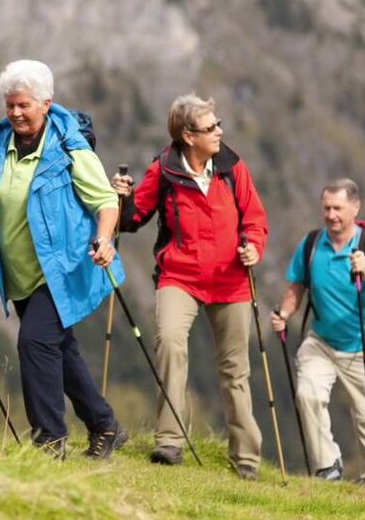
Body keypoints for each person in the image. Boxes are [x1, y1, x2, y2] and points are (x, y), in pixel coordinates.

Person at [0, 60, 128, 459]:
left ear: (45, 103)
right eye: (11, 106)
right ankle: (105, 425)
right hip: (20, 273)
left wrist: (105, 240)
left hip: (64, 269)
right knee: (61, 349)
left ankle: (49, 442)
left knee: (35, 342)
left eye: (24, 105)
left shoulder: (70, 148)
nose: (16, 113)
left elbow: (106, 200)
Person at [111, 93, 268, 479]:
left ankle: (245, 458)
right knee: (169, 343)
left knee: (235, 370)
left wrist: (253, 248)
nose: (219, 132)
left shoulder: (233, 168)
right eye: (210, 127)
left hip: (231, 281)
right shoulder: (163, 171)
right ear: (188, 135)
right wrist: (123, 198)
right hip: (179, 277)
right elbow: (133, 220)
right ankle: (170, 441)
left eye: (218, 124)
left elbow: (255, 219)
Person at [270, 179, 365, 496]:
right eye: (326, 208)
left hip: (363, 345)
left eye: (338, 208)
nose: (331, 215)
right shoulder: (311, 244)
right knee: (307, 395)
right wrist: (284, 314)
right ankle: (328, 466)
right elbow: (296, 288)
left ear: (355, 208)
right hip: (322, 340)